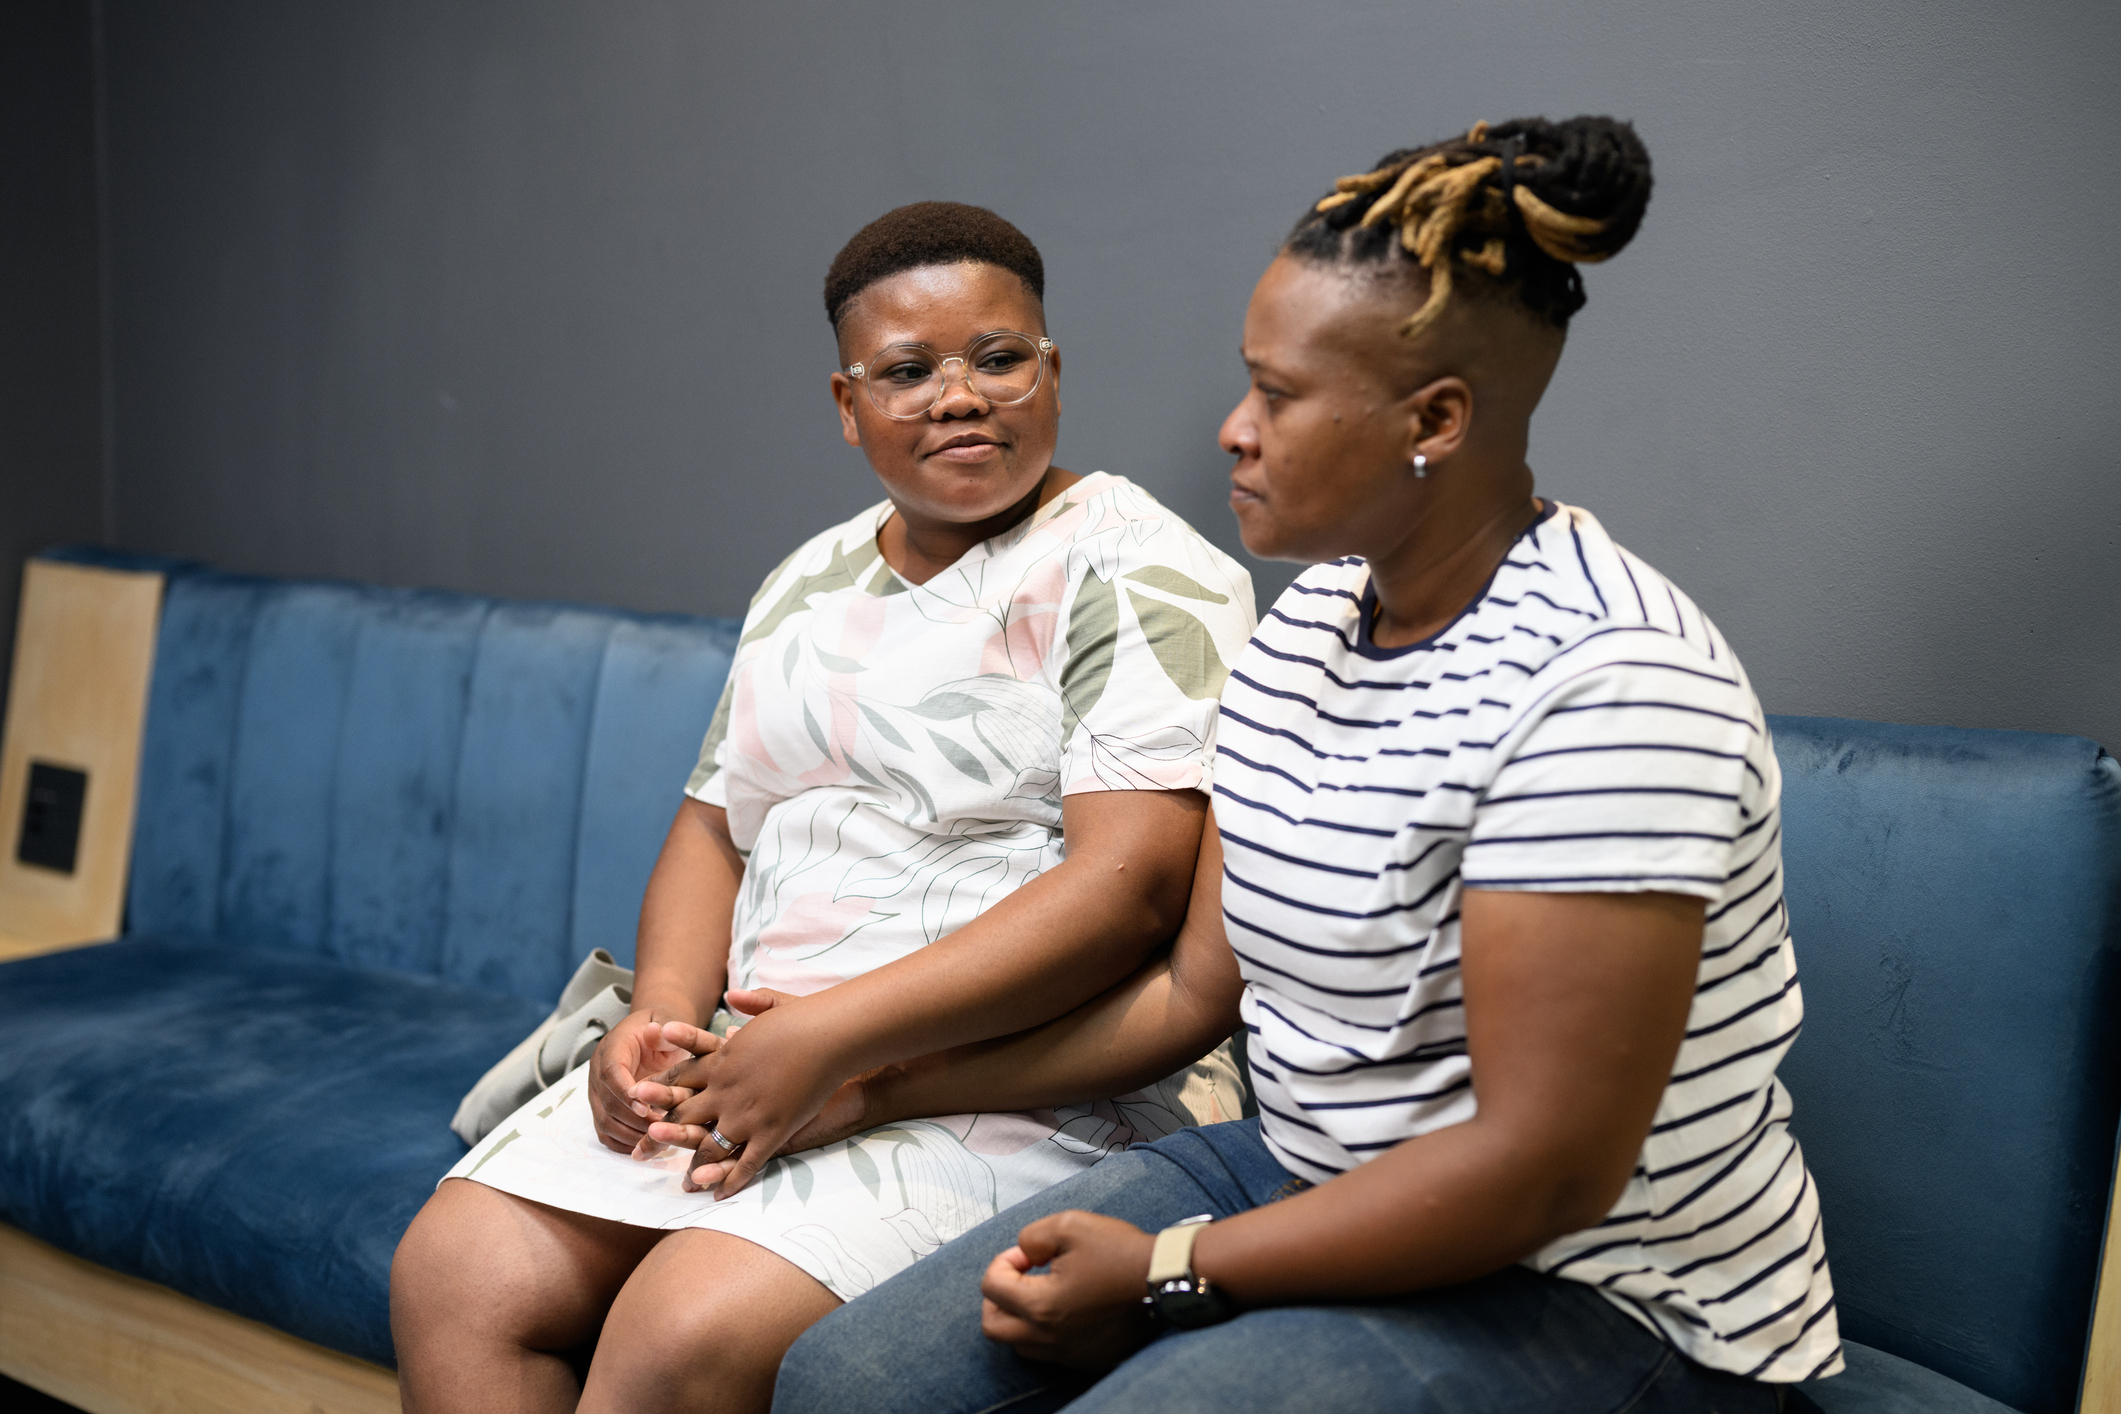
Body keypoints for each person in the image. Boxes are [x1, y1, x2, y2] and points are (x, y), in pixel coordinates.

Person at [770, 118, 1843, 1413]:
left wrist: (1172, 1268)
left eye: (1277, 395)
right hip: (1305, 1169)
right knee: (845, 1383)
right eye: (1246, 381)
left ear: (1432, 418)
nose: (1232, 429)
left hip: (1604, 1291)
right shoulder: (1309, 628)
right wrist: (876, 1084)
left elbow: (1538, 1172)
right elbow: (1190, 992)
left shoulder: (1608, 683)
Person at [389, 201, 1255, 1414]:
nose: (961, 395)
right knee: (456, 1272)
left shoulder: (1138, 566)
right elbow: (712, 825)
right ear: (848, 406)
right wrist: (664, 1016)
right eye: (909, 372)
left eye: (998, 359)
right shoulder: (807, 576)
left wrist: (833, 1040)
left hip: (1011, 1085)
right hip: (758, 1063)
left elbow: (1132, 889)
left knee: (681, 1329)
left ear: (1051, 372)